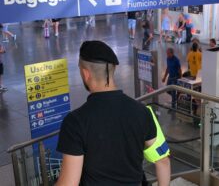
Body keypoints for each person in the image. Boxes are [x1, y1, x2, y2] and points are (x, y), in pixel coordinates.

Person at [56, 40, 170, 186]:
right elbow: (163, 161)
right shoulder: (143, 112)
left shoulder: (75, 122)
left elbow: (68, 184)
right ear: (113, 69)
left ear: (85, 74)